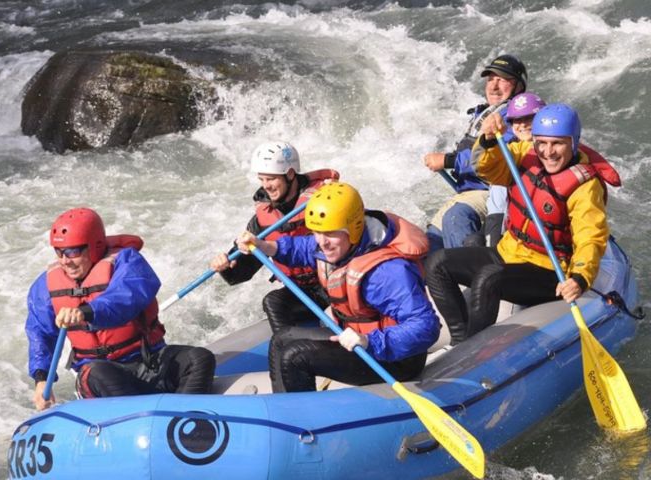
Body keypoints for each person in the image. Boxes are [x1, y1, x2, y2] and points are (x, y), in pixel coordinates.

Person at [425, 104, 621, 345]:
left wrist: (580, 278)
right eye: (542, 143)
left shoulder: (585, 187)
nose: (548, 152)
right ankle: (460, 339)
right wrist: (487, 141)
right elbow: (486, 168)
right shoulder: (523, 153)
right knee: (437, 263)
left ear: (573, 142)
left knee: (489, 277)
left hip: (550, 271)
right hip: (509, 254)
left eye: (557, 143)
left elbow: (590, 236)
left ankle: (472, 347)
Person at [235, 182, 441, 392]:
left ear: (354, 229)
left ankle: (304, 421)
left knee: (295, 356)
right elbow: (305, 248)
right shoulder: (341, 242)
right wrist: (265, 246)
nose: (322, 242)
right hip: (354, 339)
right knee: (282, 339)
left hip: (394, 358)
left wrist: (370, 341)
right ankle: (286, 409)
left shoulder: (388, 273)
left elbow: (426, 326)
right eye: (316, 232)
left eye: (330, 233)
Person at [26, 207, 215, 411]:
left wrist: (85, 312)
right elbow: (40, 333)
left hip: (148, 362)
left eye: (72, 252)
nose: (65, 261)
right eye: (59, 252)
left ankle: (183, 419)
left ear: (95, 246)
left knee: (200, 359)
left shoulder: (128, 262)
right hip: (100, 372)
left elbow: (126, 297)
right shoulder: (46, 285)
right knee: (99, 373)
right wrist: (41, 379)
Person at [210, 141, 340, 333]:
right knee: (273, 302)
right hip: (302, 291)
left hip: (337, 285)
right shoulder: (262, 218)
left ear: (290, 174)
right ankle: (288, 349)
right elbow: (242, 273)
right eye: (261, 179)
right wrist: (226, 267)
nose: (266, 186)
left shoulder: (325, 200)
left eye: (270, 179)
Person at [424, 54, 527, 252]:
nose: (494, 86)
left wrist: (447, 160)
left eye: (502, 80)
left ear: (518, 86)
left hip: (494, 192)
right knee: (431, 244)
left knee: (456, 217)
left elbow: (496, 155)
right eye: (491, 79)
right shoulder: (485, 113)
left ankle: (471, 276)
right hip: (469, 192)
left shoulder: (517, 116)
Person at [480, 91, 547, 247]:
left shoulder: (555, 154)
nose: (522, 124)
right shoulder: (510, 152)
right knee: (473, 241)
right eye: (516, 120)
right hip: (501, 219)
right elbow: (483, 168)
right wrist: (488, 140)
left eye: (529, 118)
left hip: (535, 227)